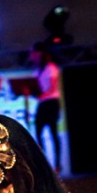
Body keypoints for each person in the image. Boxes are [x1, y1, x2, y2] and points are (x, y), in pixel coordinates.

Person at [30, 41, 62, 172]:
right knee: (38, 132)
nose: (32, 56)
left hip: (51, 103)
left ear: (40, 53)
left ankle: (57, 163)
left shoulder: (51, 68)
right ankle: (44, 163)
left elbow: (53, 87)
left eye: (34, 53)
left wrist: (42, 95)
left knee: (53, 132)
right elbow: (37, 89)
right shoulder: (37, 71)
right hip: (42, 103)